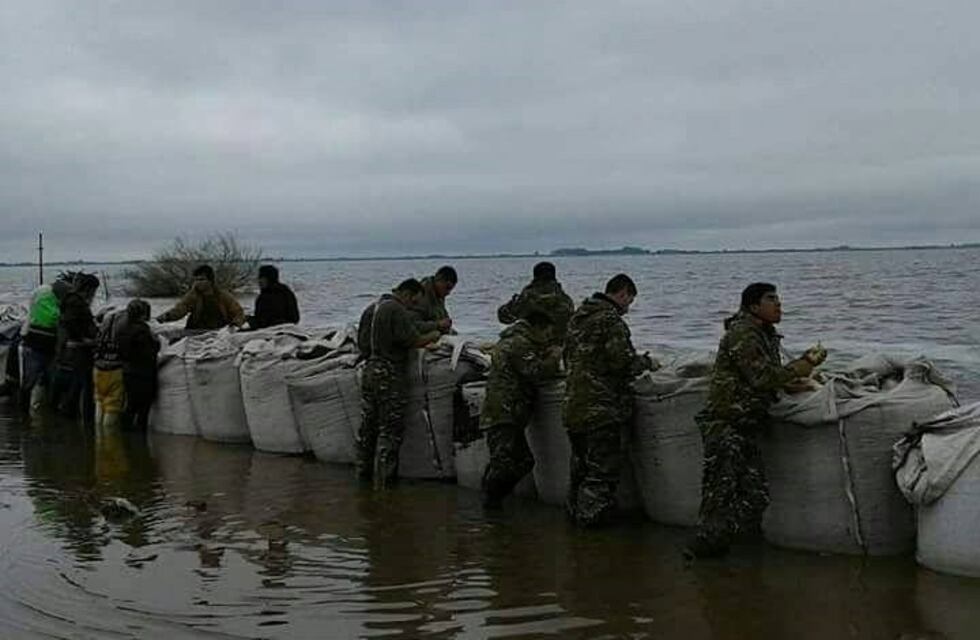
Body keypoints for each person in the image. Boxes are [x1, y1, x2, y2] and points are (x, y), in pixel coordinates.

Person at [685, 283, 827, 560]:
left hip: (747, 424)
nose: (779, 304)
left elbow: (768, 378)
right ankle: (703, 552)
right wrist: (804, 364)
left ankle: (731, 548)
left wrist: (800, 381)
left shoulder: (764, 334)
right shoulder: (743, 334)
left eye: (778, 298)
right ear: (753, 306)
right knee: (720, 495)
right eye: (771, 299)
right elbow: (762, 377)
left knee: (755, 496)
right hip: (727, 424)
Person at [563, 274, 654, 527]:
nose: (628, 308)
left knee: (580, 471)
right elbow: (622, 363)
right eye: (629, 301)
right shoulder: (611, 321)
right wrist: (646, 362)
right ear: (623, 293)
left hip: (574, 405)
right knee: (602, 472)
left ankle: (573, 525)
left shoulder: (578, 318)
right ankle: (591, 528)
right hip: (602, 409)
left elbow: (568, 359)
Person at [356, 279, 441, 488]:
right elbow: (413, 340)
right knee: (389, 431)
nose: (413, 306)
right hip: (390, 374)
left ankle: (363, 480)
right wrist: (434, 334)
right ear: (406, 293)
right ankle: (385, 485)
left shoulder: (371, 309)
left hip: (369, 371)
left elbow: (362, 344)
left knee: (368, 429)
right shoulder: (396, 309)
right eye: (414, 301)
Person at [481, 311, 563, 508]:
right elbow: (535, 371)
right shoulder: (519, 343)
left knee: (514, 460)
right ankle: (490, 502)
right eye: (547, 333)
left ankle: (491, 499)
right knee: (511, 462)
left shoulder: (515, 340)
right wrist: (554, 357)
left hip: (507, 410)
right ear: (537, 328)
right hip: (504, 411)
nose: (548, 338)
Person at [16, 277, 71, 410]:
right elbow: (52, 318)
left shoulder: (43, 294)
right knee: (33, 381)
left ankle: (27, 413)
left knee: (34, 381)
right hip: (38, 347)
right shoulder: (47, 297)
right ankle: (30, 410)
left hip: (40, 346)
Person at [54, 273, 100, 425]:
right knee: (84, 383)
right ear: (89, 289)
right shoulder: (76, 302)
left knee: (77, 381)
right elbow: (72, 322)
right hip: (80, 349)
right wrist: (82, 339)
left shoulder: (71, 300)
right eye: (94, 290)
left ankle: (70, 415)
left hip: (73, 349)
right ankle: (84, 418)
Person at [497, 261, 575, 344]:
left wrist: (512, 303)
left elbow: (504, 318)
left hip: (531, 341)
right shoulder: (565, 299)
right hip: (559, 343)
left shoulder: (528, 296)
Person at [156, 265, 245, 331]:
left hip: (219, 331)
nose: (198, 283)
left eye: (201, 279)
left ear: (210, 281)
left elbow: (238, 312)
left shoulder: (223, 296)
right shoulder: (192, 296)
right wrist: (166, 317)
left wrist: (235, 324)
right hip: (196, 330)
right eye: (196, 280)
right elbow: (180, 309)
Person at [117, 299, 160, 431]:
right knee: (143, 408)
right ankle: (139, 437)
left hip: (127, 371)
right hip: (142, 373)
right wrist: (156, 342)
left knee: (131, 404)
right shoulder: (142, 331)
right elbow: (148, 353)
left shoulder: (122, 327)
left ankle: (123, 435)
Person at [92, 307, 129, 428]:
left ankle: (97, 432)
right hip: (115, 372)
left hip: (98, 370)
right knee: (112, 406)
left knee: (99, 401)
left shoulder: (100, 335)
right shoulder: (122, 336)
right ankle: (108, 435)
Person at [248, 264, 300, 329]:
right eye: (259, 278)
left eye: (262, 278)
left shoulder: (268, 297)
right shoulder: (286, 292)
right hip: (282, 328)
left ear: (270, 279)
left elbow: (263, 322)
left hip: (277, 329)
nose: (259, 281)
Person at [411, 265, 456, 335]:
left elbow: (443, 317)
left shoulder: (438, 295)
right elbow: (412, 325)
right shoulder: (421, 295)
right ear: (438, 279)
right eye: (447, 288)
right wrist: (437, 325)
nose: (448, 293)